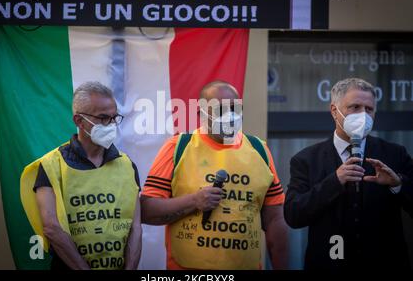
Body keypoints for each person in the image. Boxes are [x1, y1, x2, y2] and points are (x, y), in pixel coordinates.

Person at [141, 80, 288, 270]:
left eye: (235, 108)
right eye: (221, 110)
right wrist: (194, 201)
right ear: (201, 112)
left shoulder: (259, 150)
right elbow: (146, 211)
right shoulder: (178, 147)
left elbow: (275, 219)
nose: (230, 116)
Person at [284, 77, 413, 270]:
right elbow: (293, 215)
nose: (363, 115)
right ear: (334, 111)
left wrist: (398, 184)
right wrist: (334, 181)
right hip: (329, 263)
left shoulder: (394, 154)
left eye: (369, 109)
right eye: (355, 107)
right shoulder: (306, 159)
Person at [21, 81, 141, 270]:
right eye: (102, 118)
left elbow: (135, 228)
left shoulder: (127, 165)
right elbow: (51, 228)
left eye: (114, 117)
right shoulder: (52, 164)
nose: (110, 125)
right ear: (79, 120)